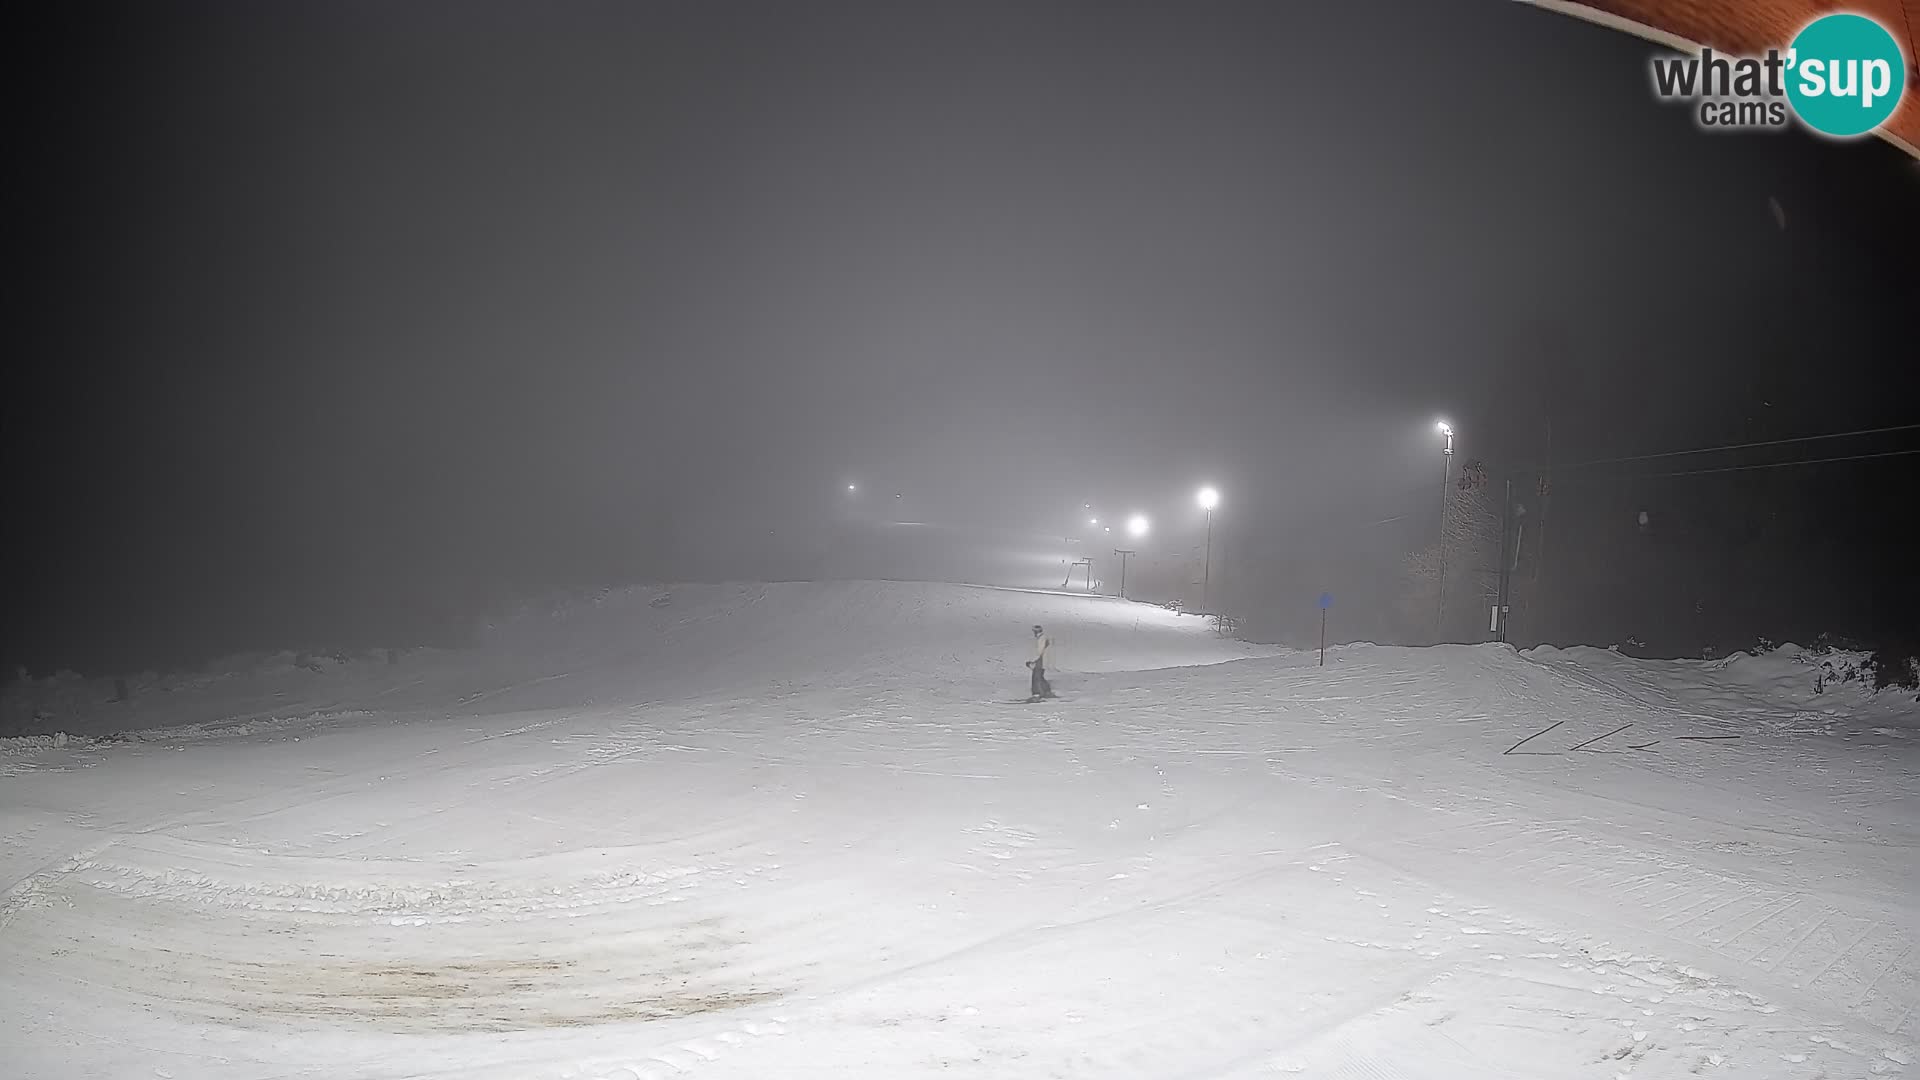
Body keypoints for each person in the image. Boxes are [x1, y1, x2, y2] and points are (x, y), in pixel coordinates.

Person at [1026, 624, 1056, 701]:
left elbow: (1039, 651)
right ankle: (1047, 691)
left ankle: (1036, 694)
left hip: (1040, 661)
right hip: (1044, 661)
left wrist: (1032, 661)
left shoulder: (1041, 639)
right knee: (1040, 677)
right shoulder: (1044, 638)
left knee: (1036, 677)